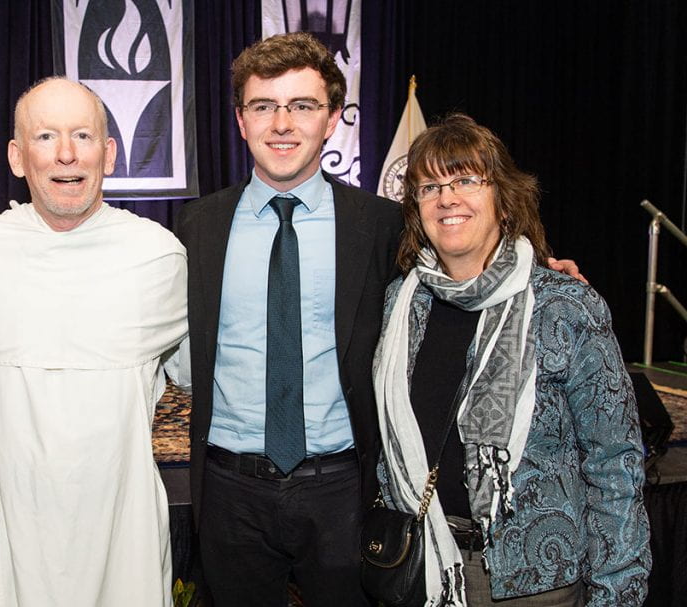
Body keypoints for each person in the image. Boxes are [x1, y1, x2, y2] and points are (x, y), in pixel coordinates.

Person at [373, 113, 651, 605]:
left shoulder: (564, 305)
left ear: (504, 199)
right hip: (422, 570)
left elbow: (615, 463)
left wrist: (618, 592)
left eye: (465, 180)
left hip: (535, 583)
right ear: (417, 209)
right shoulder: (402, 302)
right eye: (429, 186)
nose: (447, 198)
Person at [174, 32, 402, 606]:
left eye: (301, 106)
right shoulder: (197, 227)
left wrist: (538, 266)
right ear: (241, 120)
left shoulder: (380, 226)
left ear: (330, 120)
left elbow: (457, 269)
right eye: (263, 106)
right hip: (229, 492)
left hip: (343, 489)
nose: (282, 123)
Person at [0, 77, 186, 607]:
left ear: (108, 154)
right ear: (16, 157)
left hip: (120, 518)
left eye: (82, 136)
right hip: (5, 514)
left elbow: (193, 373)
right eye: (45, 137)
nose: (65, 155)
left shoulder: (158, 254)